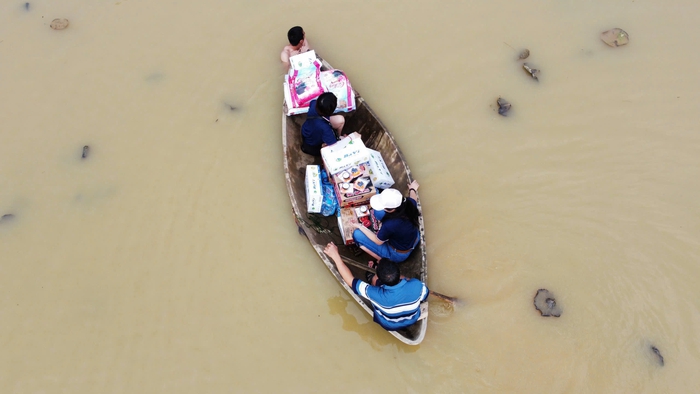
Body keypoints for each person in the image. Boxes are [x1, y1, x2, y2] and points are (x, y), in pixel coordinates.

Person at [323, 242, 429, 331]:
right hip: (412, 318)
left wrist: (336, 257)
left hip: (388, 323)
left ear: (380, 278)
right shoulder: (416, 285)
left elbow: (351, 281)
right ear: (398, 271)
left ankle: (371, 277)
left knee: (372, 280)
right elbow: (425, 294)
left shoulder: (377, 294)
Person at [352, 181, 421, 262]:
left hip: (397, 254)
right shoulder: (408, 203)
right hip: (413, 238)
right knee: (377, 212)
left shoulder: (390, 225)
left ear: (391, 209)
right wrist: (412, 189)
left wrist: (360, 226)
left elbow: (378, 241)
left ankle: (380, 258)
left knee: (357, 234)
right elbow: (413, 198)